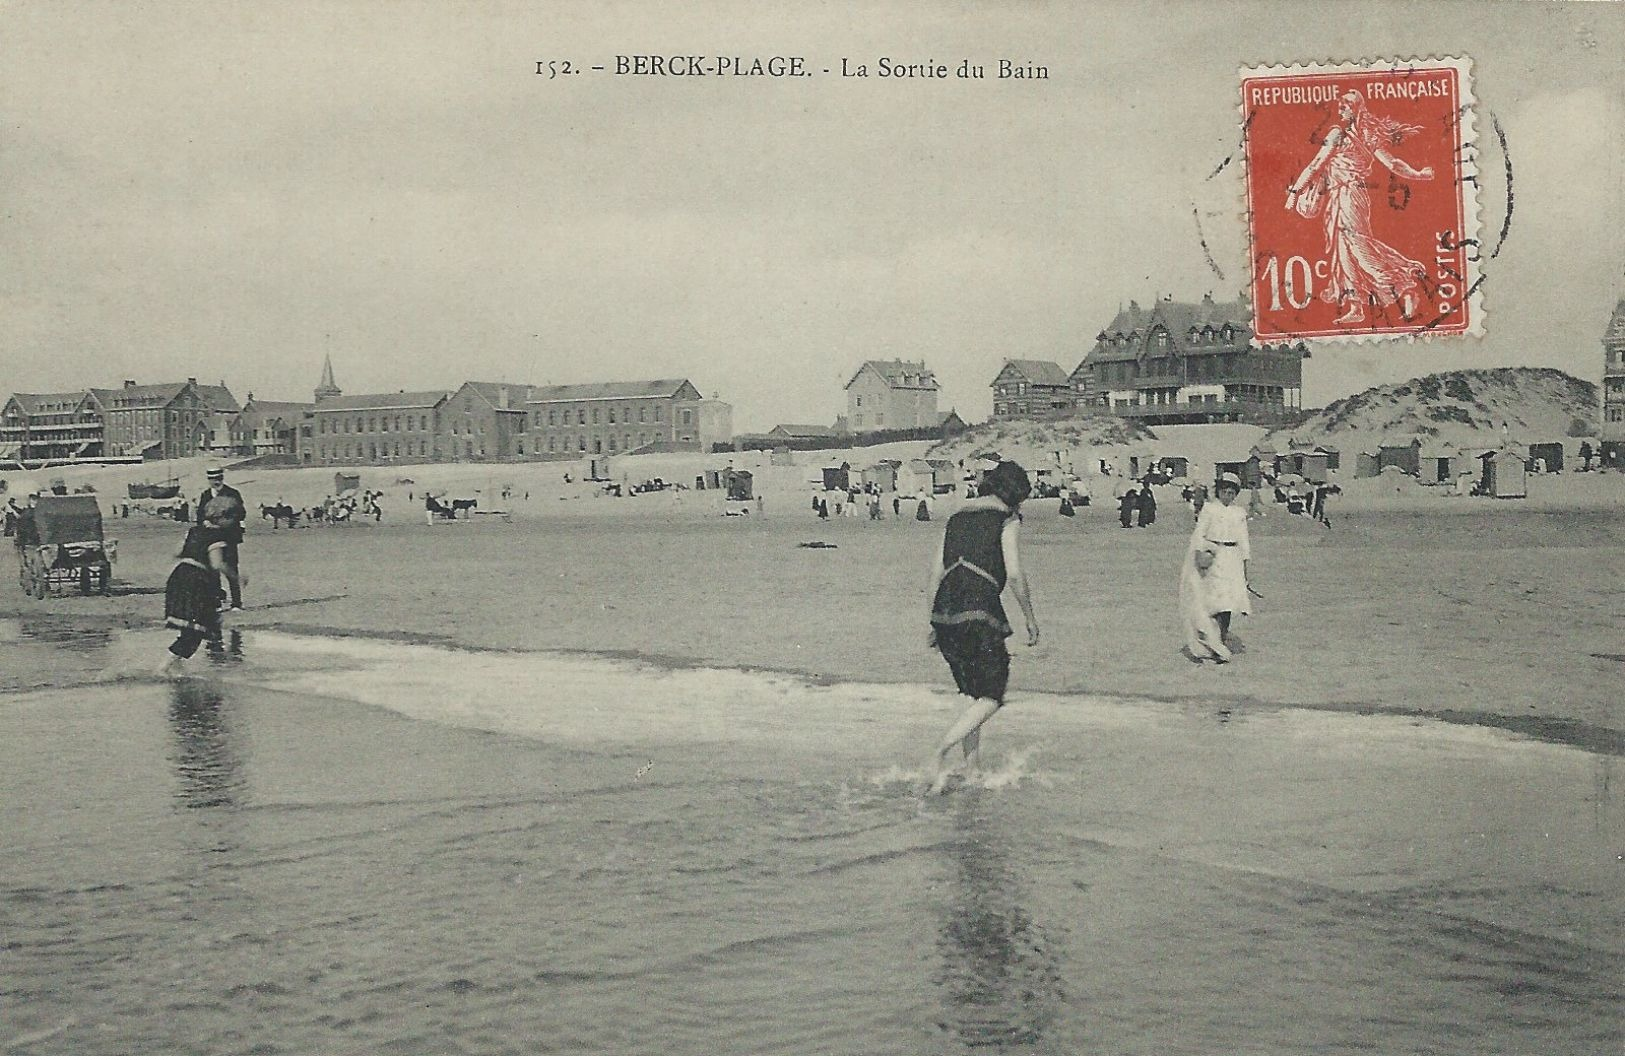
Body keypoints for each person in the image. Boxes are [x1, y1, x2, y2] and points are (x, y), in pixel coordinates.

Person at [921, 461, 1040, 795]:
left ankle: (971, 771)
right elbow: (1014, 574)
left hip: (945, 611)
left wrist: (934, 622)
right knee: (992, 696)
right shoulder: (1007, 518)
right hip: (979, 610)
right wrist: (1030, 618)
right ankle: (939, 750)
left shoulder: (956, 517)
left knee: (973, 696)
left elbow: (935, 575)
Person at [1286, 89, 1435, 325]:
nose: (1340, 109)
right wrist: (1419, 174)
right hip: (1338, 196)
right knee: (1343, 253)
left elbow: (1316, 164)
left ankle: (1403, 287)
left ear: (1356, 108)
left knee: (1359, 247)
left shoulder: (1351, 134)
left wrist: (1294, 192)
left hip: (1351, 194)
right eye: (1340, 105)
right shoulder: (1356, 134)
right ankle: (1357, 306)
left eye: (1345, 105)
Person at [1185, 473, 1252, 653]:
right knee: (1214, 600)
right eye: (1224, 492)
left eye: (1231, 493)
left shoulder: (1239, 513)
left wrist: (1245, 564)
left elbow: (1243, 540)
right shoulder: (1209, 509)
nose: (1227, 496)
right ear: (1218, 492)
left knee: (1228, 603)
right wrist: (1200, 555)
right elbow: (1199, 533)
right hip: (1214, 557)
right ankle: (1210, 638)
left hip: (1233, 559)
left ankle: (1220, 639)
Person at [159, 525, 224, 675]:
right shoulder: (218, 535)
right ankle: (163, 668)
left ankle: (175, 666)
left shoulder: (193, 531)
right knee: (196, 630)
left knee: (189, 629)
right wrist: (236, 577)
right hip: (197, 581)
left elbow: (177, 552)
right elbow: (216, 564)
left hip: (180, 575)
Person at [195, 465, 246, 611]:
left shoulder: (232, 493)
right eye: (212, 479)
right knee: (213, 570)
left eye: (218, 478)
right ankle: (216, 603)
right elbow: (200, 515)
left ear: (222, 478)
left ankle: (236, 603)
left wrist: (224, 523)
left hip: (229, 537)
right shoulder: (205, 495)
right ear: (208, 480)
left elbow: (240, 513)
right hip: (211, 538)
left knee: (231, 569)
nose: (215, 482)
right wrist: (204, 522)